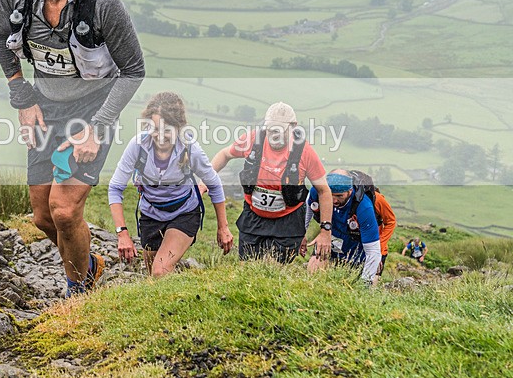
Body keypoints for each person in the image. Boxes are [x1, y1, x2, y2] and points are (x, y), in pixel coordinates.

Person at [0, 0, 145, 296]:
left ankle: (78, 291)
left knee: (64, 209)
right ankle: (89, 266)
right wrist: (22, 97)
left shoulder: (101, 0)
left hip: (93, 109)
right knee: (43, 216)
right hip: (45, 107)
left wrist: (98, 127)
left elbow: (133, 70)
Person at [108, 92, 234, 276]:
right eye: (154, 129)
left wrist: (223, 227)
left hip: (184, 213)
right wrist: (122, 233)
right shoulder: (138, 146)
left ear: (178, 127)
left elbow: (213, 183)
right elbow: (115, 188)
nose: (160, 136)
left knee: (160, 270)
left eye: (167, 130)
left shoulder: (190, 148)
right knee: (153, 274)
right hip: (151, 215)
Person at [209, 102, 333, 264]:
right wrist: (206, 180)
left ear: (293, 127)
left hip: (288, 221)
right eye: (270, 129)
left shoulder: (305, 152)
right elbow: (225, 154)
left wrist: (325, 231)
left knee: (275, 270)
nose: (274, 135)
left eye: (279, 130)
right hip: (253, 217)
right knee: (247, 267)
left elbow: (324, 191)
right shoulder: (253, 140)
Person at [306, 171, 382, 284]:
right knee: (312, 273)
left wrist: (366, 282)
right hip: (331, 238)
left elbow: (373, 250)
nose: (334, 200)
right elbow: (308, 208)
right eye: (330, 195)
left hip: (356, 248)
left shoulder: (364, 207)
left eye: (339, 196)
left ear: (350, 191)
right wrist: (303, 233)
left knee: (354, 285)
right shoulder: (318, 192)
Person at [373, 190, 397, 275]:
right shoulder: (342, 196)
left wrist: (378, 246)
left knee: (373, 279)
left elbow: (391, 221)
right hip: (352, 248)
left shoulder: (377, 198)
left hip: (378, 249)